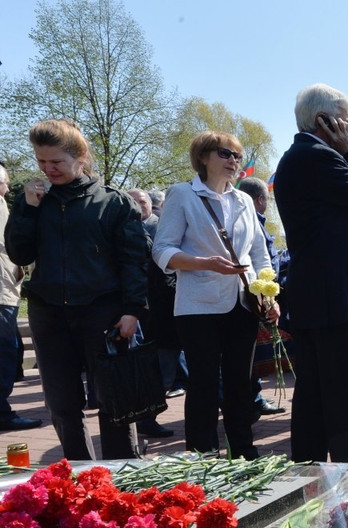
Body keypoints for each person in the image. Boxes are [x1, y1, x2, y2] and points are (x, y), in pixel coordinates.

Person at [6, 119, 149, 459]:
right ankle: (78, 477)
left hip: (103, 312)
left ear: (80, 156)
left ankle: (121, 475)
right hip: (49, 312)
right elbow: (19, 253)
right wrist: (26, 208)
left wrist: (133, 310)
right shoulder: (36, 201)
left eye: (55, 161)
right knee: (62, 403)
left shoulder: (114, 203)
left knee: (115, 400)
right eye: (41, 161)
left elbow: (134, 261)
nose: (47, 168)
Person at [273, 83, 348, 467]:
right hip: (334, 298)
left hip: (319, 296)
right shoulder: (317, 157)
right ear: (324, 121)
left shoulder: (301, 157)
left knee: (314, 394)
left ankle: (308, 476)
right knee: (342, 398)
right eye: (346, 121)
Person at [153, 131, 275, 460]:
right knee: (204, 383)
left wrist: (268, 293)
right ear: (204, 156)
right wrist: (202, 263)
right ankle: (202, 455)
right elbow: (162, 250)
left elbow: (260, 255)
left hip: (243, 303)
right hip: (197, 306)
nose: (234, 161)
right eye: (226, 153)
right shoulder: (181, 194)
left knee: (240, 382)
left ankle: (243, 453)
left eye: (237, 155)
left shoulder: (245, 201)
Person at [127, 188, 174, 439]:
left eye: (142, 201)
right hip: (145, 310)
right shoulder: (124, 229)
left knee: (167, 365)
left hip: (167, 308)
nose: (138, 206)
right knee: (153, 368)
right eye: (132, 202)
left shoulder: (162, 228)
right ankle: (146, 417)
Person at [236, 176, 285, 416]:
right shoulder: (250, 221)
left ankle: (252, 399)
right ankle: (248, 402)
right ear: (260, 200)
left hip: (260, 294)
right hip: (251, 298)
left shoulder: (256, 221)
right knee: (249, 355)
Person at [0, 163, 42, 431]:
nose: (7, 186)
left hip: (7, 289)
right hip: (2, 293)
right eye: (5, 181)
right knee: (5, 353)